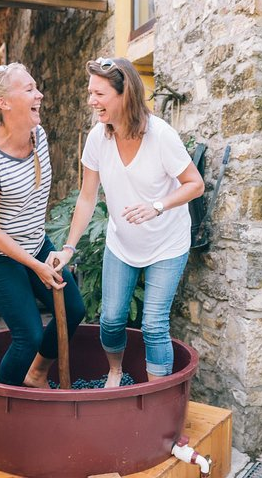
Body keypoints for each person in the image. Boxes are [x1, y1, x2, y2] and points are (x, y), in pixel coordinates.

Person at [46, 57, 204, 388]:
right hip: (122, 244)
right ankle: (116, 371)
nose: (91, 101)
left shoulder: (161, 136)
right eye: (90, 92)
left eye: (99, 93)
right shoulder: (97, 138)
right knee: (111, 319)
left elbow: (195, 184)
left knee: (154, 324)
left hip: (167, 243)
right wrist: (69, 247)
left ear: (124, 94)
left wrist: (157, 206)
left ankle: (156, 400)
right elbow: (87, 198)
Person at [0, 63, 85, 387]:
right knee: (27, 335)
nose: (39, 94)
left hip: (34, 241)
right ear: (4, 103)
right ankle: (3, 409)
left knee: (73, 309)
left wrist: (48, 252)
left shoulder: (37, 135)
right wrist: (36, 266)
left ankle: (36, 373)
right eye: (29, 89)